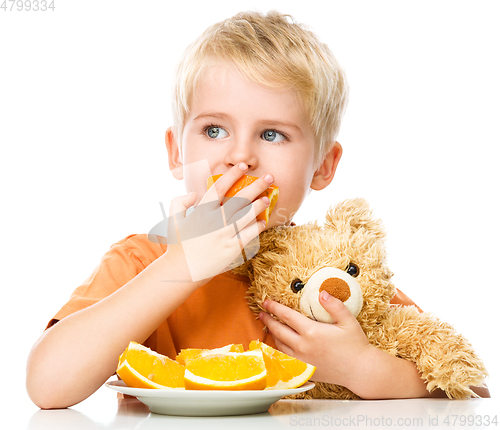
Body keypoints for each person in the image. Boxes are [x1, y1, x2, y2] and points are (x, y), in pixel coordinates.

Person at [26, 10, 488, 409]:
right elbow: (48, 385)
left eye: (272, 135)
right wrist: (180, 266)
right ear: (176, 152)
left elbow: (469, 385)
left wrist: (363, 368)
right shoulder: (143, 261)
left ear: (323, 166)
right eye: (213, 130)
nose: (239, 156)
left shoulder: (336, 272)